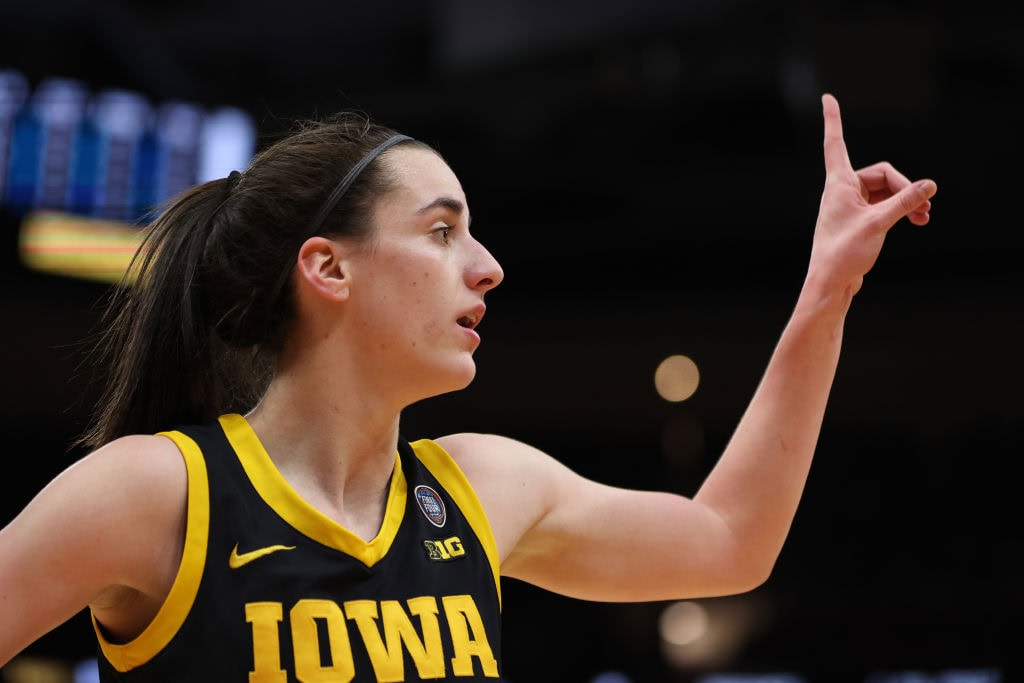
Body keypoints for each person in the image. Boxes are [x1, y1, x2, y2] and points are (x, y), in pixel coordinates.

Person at [0, 93, 936, 681]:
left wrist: (828, 290)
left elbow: (730, 540)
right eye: (442, 231)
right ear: (328, 267)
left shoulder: (481, 488)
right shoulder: (157, 492)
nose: (488, 266)